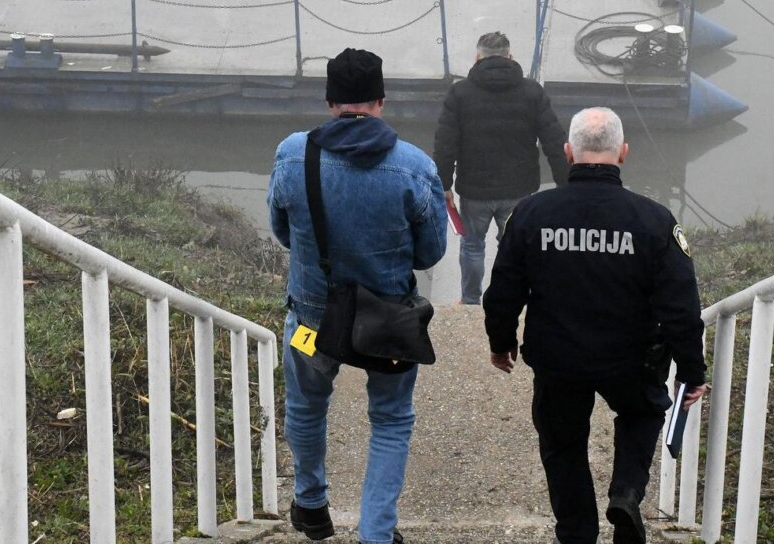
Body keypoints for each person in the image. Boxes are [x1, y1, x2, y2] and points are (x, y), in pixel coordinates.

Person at [482, 107, 707, 544]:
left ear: (568, 153)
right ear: (623, 153)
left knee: (563, 444)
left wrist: (501, 341)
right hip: (632, 359)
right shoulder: (655, 220)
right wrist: (691, 371)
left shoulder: (530, 213)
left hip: (558, 359)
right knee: (642, 413)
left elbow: (504, 289)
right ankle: (626, 493)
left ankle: (577, 533)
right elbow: (681, 305)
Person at [268, 47, 448, 544]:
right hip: (389, 324)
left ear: (330, 102)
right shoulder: (415, 166)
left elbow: (282, 231)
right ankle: (376, 533)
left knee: (306, 407)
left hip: (311, 319)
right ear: (381, 101)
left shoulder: (293, 154)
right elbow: (430, 252)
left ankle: (311, 506)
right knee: (390, 420)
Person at [432, 31, 569, 304]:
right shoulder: (532, 92)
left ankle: (470, 301)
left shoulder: (460, 93)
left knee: (472, 246)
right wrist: (566, 184)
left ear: (477, 58)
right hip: (519, 191)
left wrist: (443, 184)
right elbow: (554, 141)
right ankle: (509, 300)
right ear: (510, 56)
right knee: (514, 248)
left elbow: (445, 144)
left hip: (475, 191)